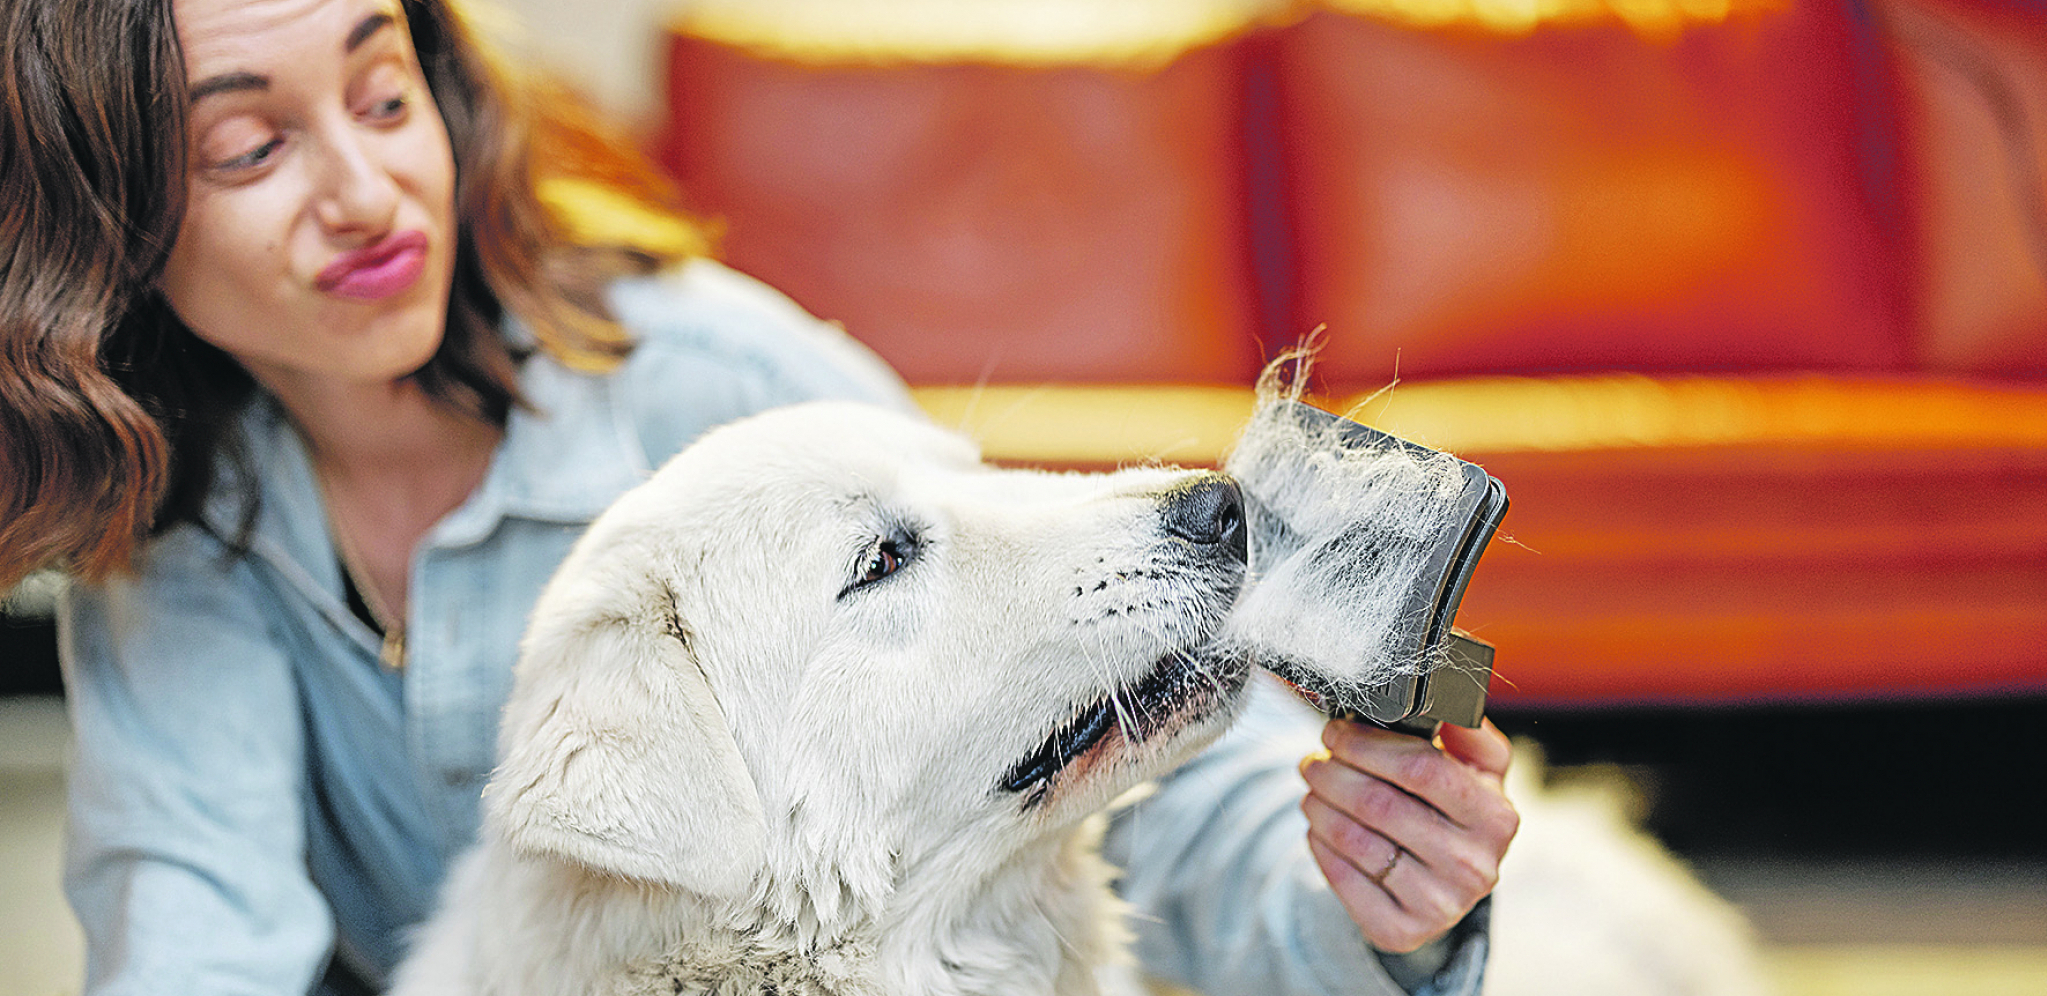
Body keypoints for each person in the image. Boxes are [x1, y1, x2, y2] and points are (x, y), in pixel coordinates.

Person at [0, 0, 1520, 993]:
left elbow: (1181, 783)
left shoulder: (727, 382)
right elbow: (187, 938)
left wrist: (1378, 907)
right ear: (115, 220)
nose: (363, 188)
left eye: (385, 95)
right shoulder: (174, 527)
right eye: (251, 142)